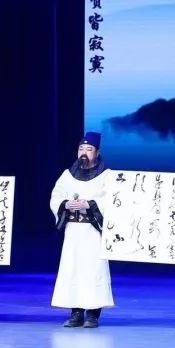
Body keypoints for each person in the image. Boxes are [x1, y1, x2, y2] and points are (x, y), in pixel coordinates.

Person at [50, 131, 114, 328]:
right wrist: (65, 204)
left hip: (92, 231)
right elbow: (56, 196)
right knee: (73, 270)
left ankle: (93, 314)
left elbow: (111, 200)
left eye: (89, 149)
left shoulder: (106, 175)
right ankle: (76, 313)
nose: (84, 152)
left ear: (97, 152)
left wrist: (90, 204)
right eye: (81, 149)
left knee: (93, 270)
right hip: (73, 231)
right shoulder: (67, 175)